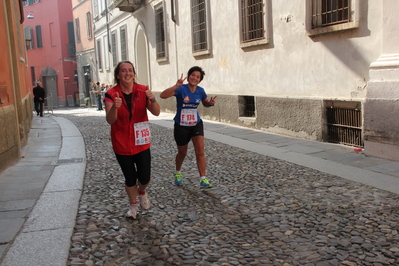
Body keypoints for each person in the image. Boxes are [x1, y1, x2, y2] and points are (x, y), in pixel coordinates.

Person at [104, 61, 160, 219]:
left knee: (145, 177)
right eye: (123, 71)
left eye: (130, 70)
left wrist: (153, 98)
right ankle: (133, 205)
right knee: (130, 177)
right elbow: (110, 120)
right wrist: (115, 106)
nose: (127, 73)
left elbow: (156, 112)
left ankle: (142, 190)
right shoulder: (111, 93)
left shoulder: (143, 90)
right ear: (118, 75)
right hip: (121, 142)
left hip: (141, 142)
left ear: (134, 74)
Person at [160, 66, 217, 189]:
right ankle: (178, 172)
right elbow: (163, 96)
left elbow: (205, 103)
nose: (194, 78)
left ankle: (203, 178)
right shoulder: (181, 89)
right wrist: (176, 86)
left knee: (200, 151)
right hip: (181, 125)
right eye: (193, 75)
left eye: (197, 77)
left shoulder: (200, 91)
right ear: (189, 76)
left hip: (196, 124)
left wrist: (210, 104)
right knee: (182, 153)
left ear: (200, 80)